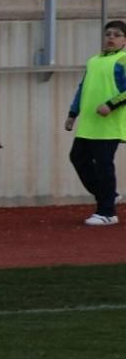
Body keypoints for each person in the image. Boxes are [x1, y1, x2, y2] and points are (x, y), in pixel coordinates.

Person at [64, 20, 126, 226]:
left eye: (117, 35)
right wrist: (73, 113)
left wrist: (111, 104)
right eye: (108, 34)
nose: (111, 38)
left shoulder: (123, 60)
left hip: (109, 125)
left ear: (124, 40)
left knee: (103, 165)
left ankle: (107, 212)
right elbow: (83, 88)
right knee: (77, 158)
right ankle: (107, 194)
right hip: (89, 124)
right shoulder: (93, 61)